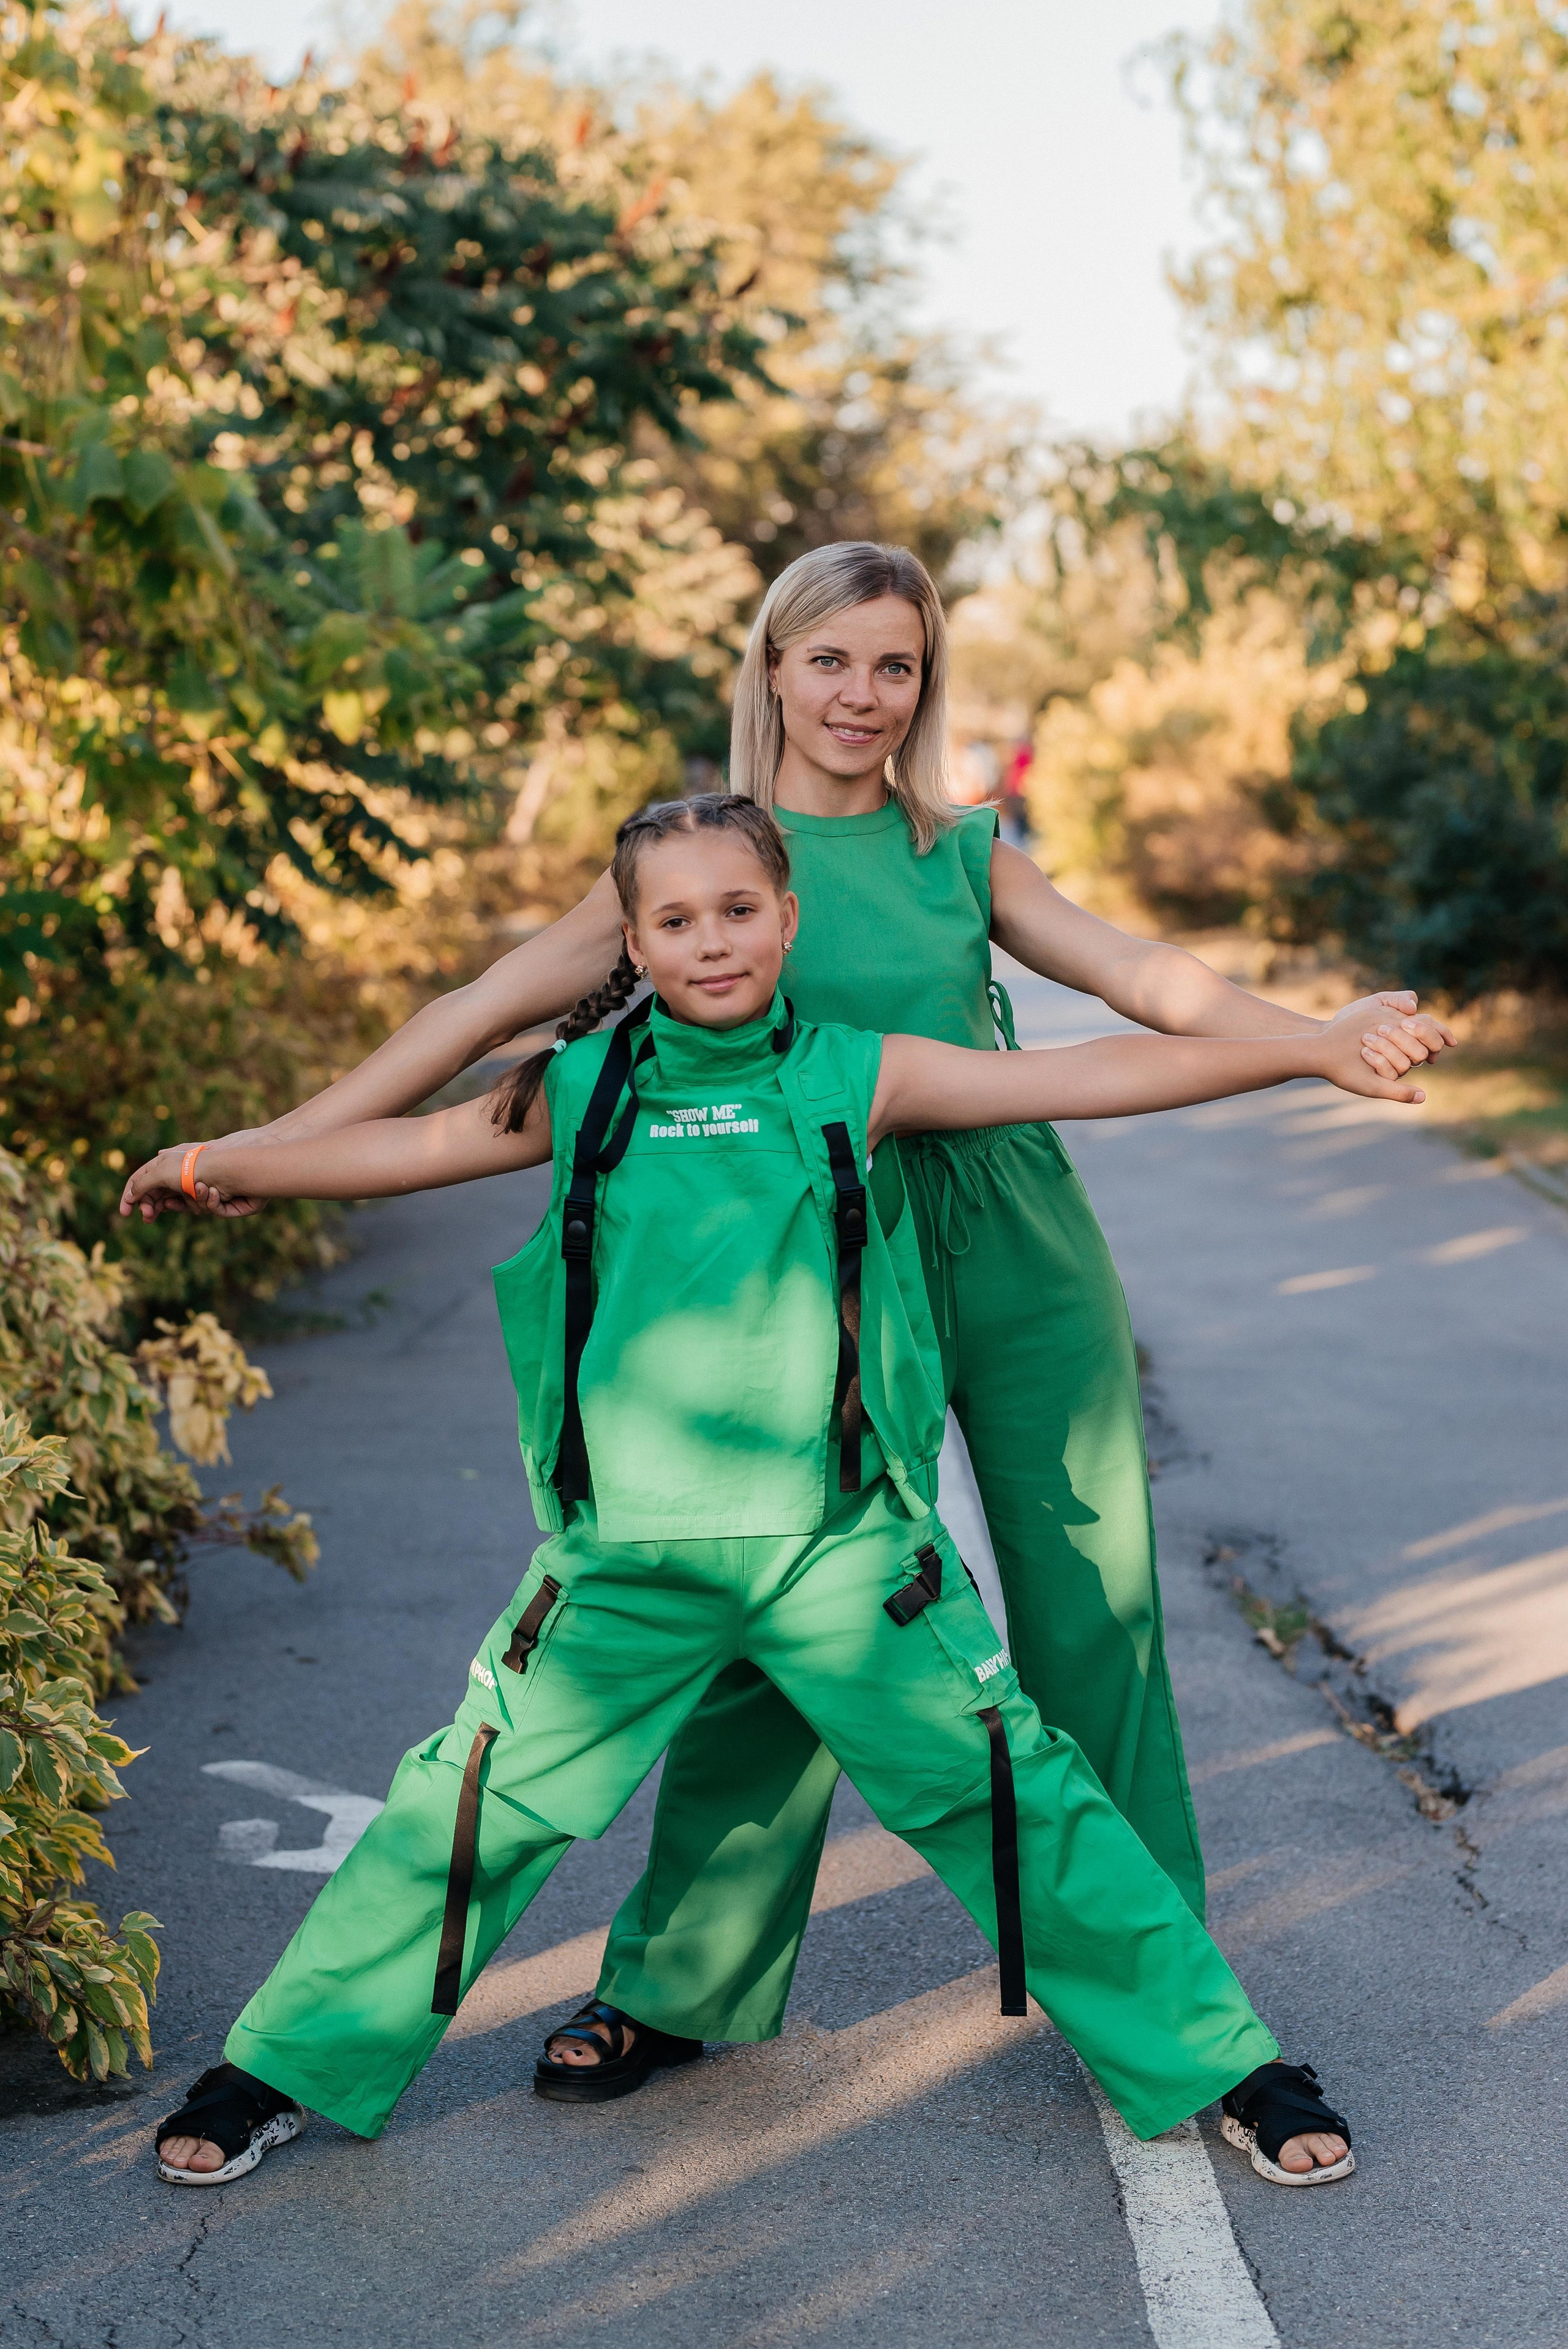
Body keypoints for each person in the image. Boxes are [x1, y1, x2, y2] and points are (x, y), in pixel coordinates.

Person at [124, 543, 1448, 2113]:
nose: (862, 696)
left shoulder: (961, 851)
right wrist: (264, 1150)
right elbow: (468, 1027)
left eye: (894, 666)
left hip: (1003, 1228)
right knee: (774, 1609)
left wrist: (1313, 1039)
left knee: (1092, 1605)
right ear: (771, 666)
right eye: (832, 660)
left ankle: (1150, 1987)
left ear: (922, 684)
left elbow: (1143, 992)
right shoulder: (699, 861)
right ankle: (682, 1982)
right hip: (820, 1235)